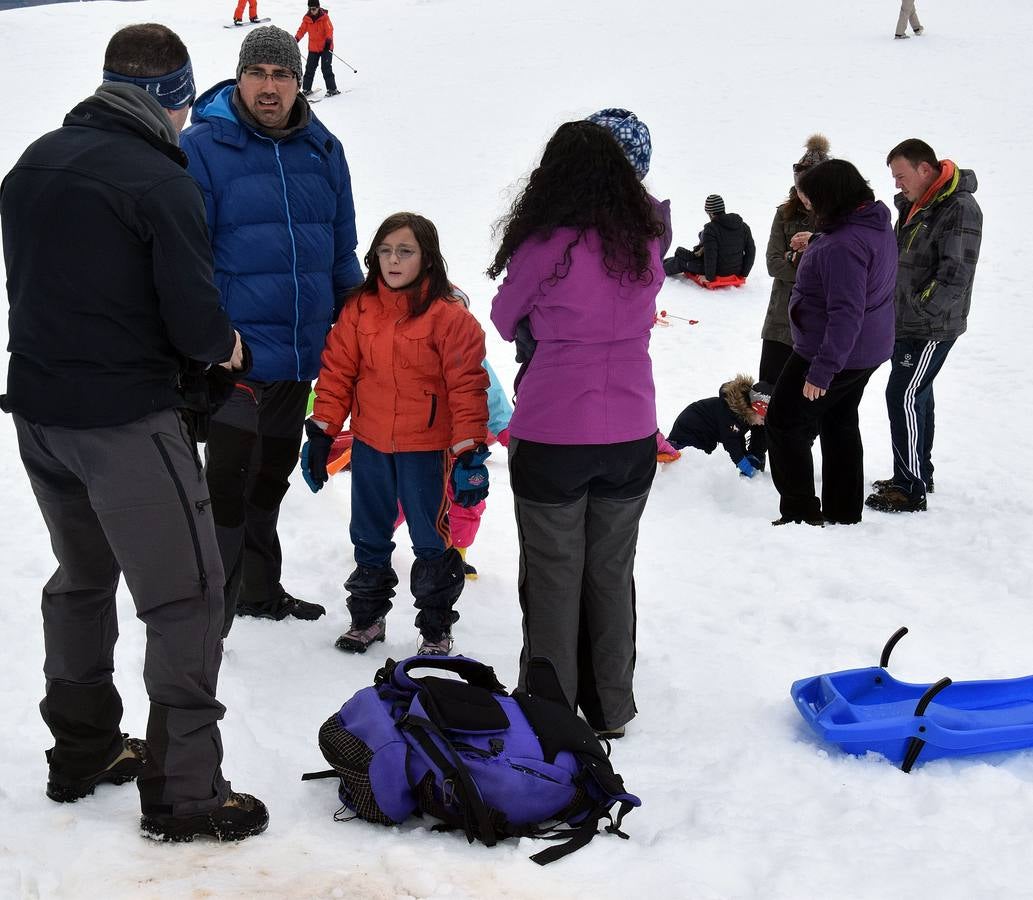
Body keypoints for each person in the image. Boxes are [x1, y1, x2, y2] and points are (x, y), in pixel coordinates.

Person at [0, 23, 267, 842]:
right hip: (124, 425)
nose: (187, 123)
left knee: (82, 581)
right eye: (185, 108)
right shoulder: (159, 180)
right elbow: (194, 325)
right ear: (172, 98)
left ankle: (80, 751)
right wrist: (227, 346)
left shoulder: (35, 161)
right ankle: (186, 793)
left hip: (41, 417)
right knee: (186, 597)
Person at [180, 26, 363, 630]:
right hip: (236, 359)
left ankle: (259, 591)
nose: (269, 86)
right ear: (239, 77)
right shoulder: (203, 147)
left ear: (296, 81)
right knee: (225, 492)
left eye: (281, 74)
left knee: (268, 484)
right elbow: (188, 257)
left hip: (300, 356)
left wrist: (359, 330)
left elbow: (341, 253)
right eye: (257, 73)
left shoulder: (322, 149)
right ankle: (211, 617)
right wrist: (206, 343)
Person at [488, 120, 666, 739]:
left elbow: (505, 318)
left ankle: (551, 711)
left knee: (553, 573)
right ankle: (612, 706)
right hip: (632, 431)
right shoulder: (644, 241)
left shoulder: (549, 243)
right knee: (611, 571)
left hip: (555, 430)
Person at [301, 212, 489, 656]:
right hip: (370, 441)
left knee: (429, 538)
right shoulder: (359, 309)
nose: (393, 260)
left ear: (427, 258)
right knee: (367, 532)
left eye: (405, 251)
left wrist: (468, 454)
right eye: (385, 251)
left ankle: (435, 629)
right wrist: (323, 432)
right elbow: (336, 374)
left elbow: (468, 387)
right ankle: (367, 619)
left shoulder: (450, 318)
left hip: (425, 446)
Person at [765, 160, 897, 526]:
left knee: (784, 423)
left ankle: (800, 513)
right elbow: (856, 256)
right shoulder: (873, 220)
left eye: (810, 201)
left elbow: (845, 312)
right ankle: (843, 511)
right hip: (866, 349)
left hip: (831, 352)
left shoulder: (843, 246)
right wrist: (821, 239)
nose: (806, 207)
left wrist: (822, 371)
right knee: (839, 419)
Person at [865, 139, 982, 513]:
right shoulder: (918, 203)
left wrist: (919, 308)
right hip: (906, 321)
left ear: (924, 169)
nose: (897, 184)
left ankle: (910, 488)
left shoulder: (959, 208)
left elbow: (956, 274)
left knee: (902, 396)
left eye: (900, 176)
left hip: (930, 326)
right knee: (918, 395)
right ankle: (917, 472)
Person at [749, 134, 830, 470]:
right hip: (782, 318)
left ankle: (800, 453)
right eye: (799, 189)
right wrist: (802, 262)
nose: (803, 195)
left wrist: (798, 258)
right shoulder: (784, 214)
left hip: (819, 323)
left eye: (809, 189)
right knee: (767, 387)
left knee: (811, 394)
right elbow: (772, 264)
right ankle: (757, 448)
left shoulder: (836, 220)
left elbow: (834, 271)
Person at [666, 377, 772, 478]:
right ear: (754, 409)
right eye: (762, 419)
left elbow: (738, 436)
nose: (762, 424)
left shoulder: (743, 413)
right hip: (690, 430)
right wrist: (746, 467)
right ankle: (671, 449)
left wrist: (744, 455)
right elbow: (732, 444)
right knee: (688, 460)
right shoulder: (731, 415)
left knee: (698, 459)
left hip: (703, 433)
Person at [662, 194, 755, 284]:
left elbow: (711, 256)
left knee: (680, 261)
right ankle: (660, 262)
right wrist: (744, 273)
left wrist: (709, 277)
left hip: (716, 271)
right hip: (736, 270)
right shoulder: (743, 226)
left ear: (710, 213)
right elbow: (751, 251)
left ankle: (658, 269)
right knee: (684, 254)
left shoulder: (711, 229)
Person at [296, 4, 340, 97]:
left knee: (326, 68)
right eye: (310, 9)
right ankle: (306, 89)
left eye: (314, 9)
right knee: (310, 68)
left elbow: (329, 30)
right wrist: (296, 39)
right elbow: (302, 30)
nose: (312, 11)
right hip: (313, 48)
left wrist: (328, 41)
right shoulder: (307, 19)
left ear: (318, 7)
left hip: (326, 48)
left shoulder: (324, 18)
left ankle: (332, 89)